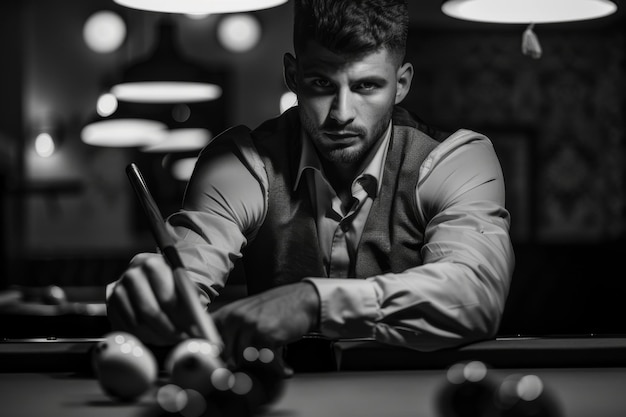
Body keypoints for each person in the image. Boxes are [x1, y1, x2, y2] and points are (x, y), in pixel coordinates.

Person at [106, 0, 514, 365]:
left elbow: (476, 293)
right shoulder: (243, 160)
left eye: (366, 86)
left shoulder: (454, 159)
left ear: (401, 83)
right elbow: (188, 274)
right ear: (292, 75)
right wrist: (153, 296)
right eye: (321, 83)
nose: (341, 113)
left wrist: (312, 301)